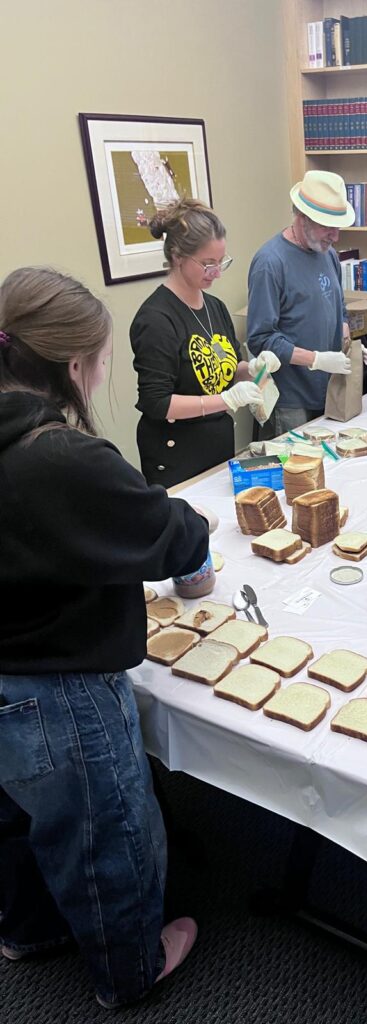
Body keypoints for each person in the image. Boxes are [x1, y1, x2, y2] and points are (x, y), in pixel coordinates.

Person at [0, 267, 209, 1007]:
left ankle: (28, 929)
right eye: (102, 359)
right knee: (106, 832)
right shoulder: (61, 457)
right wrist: (197, 556)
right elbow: (174, 531)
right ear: (72, 366)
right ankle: (130, 970)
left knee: (21, 822)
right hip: (59, 688)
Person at [130, 198, 264, 488]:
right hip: (176, 452)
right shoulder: (156, 320)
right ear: (178, 257)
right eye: (207, 264)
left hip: (217, 444)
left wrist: (251, 368)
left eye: (221, 262)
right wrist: (226, 400)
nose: (216, 272)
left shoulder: (214, 307)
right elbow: (157, 402)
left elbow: (224, 367)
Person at [246, 169, 367, 440]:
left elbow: (337, 308)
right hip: (291, 400)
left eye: (338, 228)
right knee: (297, 475)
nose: (335, 236)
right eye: (328, 227)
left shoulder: (329, 255)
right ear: (302, 218)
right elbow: (261, 339)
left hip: (328, 392)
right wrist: (316, 360)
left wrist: (347, 341)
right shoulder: (270, 263)